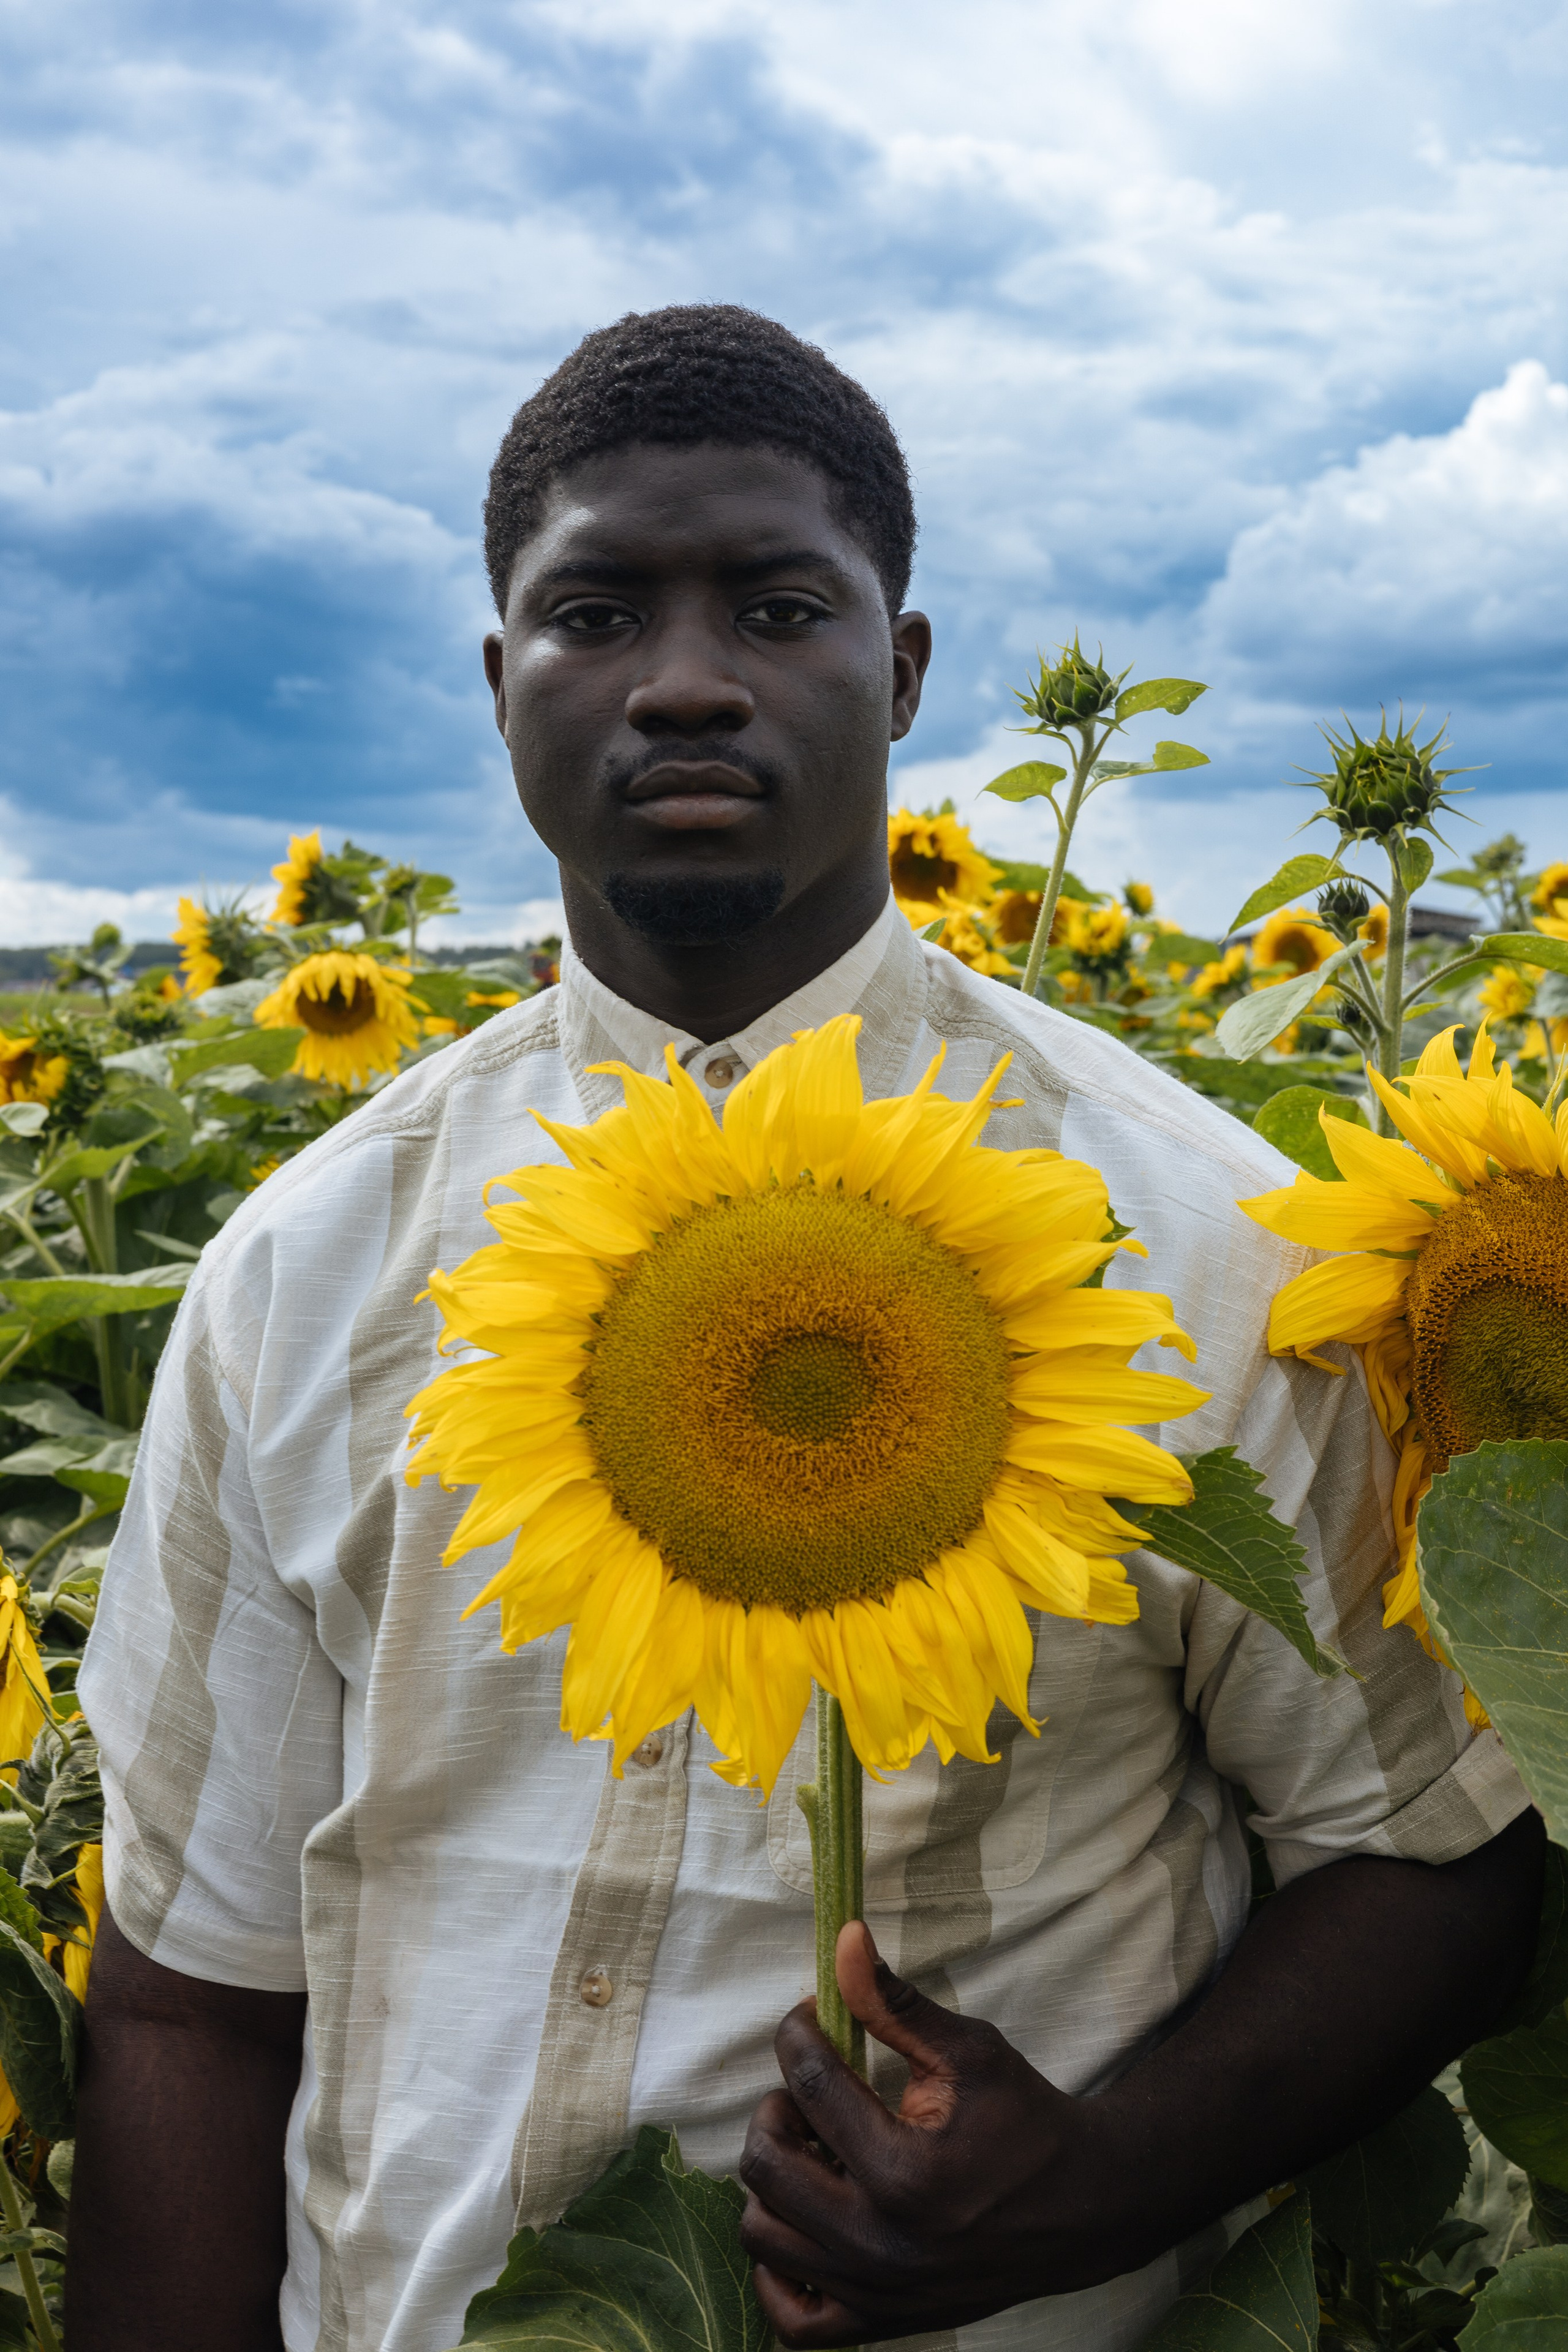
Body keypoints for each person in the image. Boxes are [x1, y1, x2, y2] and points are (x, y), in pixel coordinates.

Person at [67, 304, 1542, 2352]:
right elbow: (190, 1992)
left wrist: (1105, 2181)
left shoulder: (1200, 1237)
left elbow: (1431, 1861)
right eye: (594, 615)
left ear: (903, 669)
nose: (683, 680)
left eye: (776, 607)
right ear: (505, 688)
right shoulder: (308, 1265)